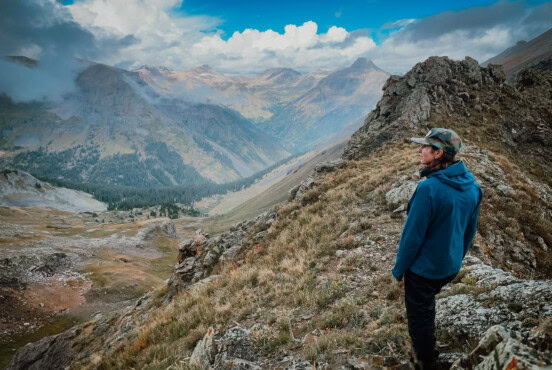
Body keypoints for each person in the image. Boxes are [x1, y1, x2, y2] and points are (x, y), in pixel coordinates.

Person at [391, 128, 483, 370]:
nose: (419, 150)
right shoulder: (473, 187)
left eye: (425, 147)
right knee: (426, 306)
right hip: (449, 267)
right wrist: (455, 259)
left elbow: (412, 238)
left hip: (424, 271)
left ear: (438, 152)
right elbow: (469, 232)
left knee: (419, 319)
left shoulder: (428, 189)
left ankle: (426, 362)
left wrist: (398, 271)